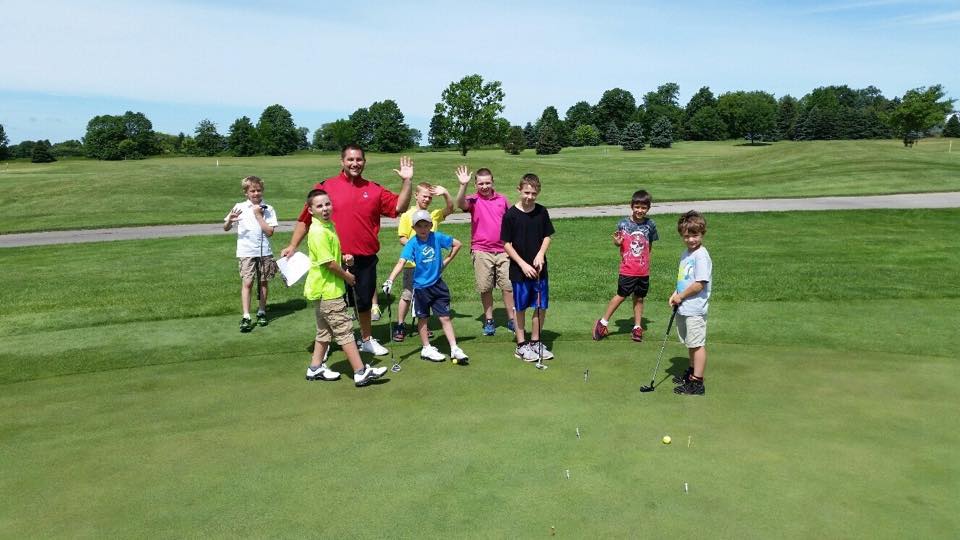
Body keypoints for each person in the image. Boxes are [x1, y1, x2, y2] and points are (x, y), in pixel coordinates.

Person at [281, 145, 414, 356]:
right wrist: (292, 245)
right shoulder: (325, 187)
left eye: (359, 160)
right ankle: (324, 346)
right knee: (331, 305)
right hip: (333, 260)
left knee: (363, 303)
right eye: (350, 159)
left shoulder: (374, 189)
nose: (355, 164)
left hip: (365, 258)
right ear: (342, 161)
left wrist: (406, 181)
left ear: (364, 162)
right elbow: (305, 220)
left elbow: (400, 207)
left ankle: (367, 339)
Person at [302, 189, 387, 387]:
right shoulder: (318, 231)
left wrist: (344, 258)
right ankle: (360, 371)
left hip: (327, 289)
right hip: (327, 290)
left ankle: (315, 368)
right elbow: (328, 263)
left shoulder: (328, 226)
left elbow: (332, 257)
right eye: (319, 206)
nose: (325, 209)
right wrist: (348, 276)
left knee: (324, 331)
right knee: (344, 331)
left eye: (327, 204)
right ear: (311, 210)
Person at [382, 210, 468, 364]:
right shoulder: (412, 243)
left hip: (438, 284)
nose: (423, 229)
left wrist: (445, 263)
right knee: (423, 318)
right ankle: (426, 348)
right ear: (414, 228)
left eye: (426, 225)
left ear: (430, 225)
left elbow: (457, 244)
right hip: (421, 288)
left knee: (445, 317)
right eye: (419, 226)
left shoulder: (437, 237)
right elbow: (401, 262)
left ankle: (454, 348)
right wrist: (390, 280)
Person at [454, 166, 516, 337]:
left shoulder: (502, 200)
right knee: (485, 287)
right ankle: (489, 320)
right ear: (476, 184)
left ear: (492, 182)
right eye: (481, 184)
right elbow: (459, 204)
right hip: (481, 251)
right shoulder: (472, 200)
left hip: (503, 250)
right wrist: (462, 185)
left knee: (508, 287)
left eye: (487, 183)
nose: (485, 186)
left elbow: (511, 222)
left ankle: (512, 319)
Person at [501, 174, 555, 362]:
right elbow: (506, 244)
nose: (529, 197)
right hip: (519, 271)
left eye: (533, 193)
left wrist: (540, 254)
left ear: (538, 192)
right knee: (521, 307)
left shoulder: (541, 212)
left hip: (540, 269)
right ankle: (521, 345)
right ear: (519, 190)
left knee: (540, 306)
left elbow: (547, 236)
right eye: (526, 192)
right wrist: (523, 264)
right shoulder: (510, 215)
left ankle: (535, 341)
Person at [593, 190, 659, 342]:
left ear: (648, 208)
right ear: (631, 206)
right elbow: (618, 243)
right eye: (637, 207)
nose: (639, 210)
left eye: (643, 208)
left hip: (643, 271)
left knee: (639, 298)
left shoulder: (651, 224)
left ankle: (637, 327)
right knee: (621, 295)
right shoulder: (623, 223)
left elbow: (649, 246)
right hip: (627, 269)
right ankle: (602, 322)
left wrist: (644, 262)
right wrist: (617, 241)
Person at [392, 182, 454, 342]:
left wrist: (446, 193)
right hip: (412, 264)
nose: (427, 199)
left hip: (430, 265)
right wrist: (418, 248)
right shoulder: (407, 215)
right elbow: (402, 238)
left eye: (430, 197)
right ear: (416, 195)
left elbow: (450, 209)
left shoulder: (432, 215)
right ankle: (400, 324)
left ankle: (424, 327)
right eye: (424, 196)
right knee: (407, 294)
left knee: (428, 295)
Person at [223, 175, 278, 333]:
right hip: (246, 251)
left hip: (264, 251)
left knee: (263, 281)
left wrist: (258, 215)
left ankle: (261, 311)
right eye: (252, 191)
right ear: (246, 192)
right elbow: (226, 227)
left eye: (258, 190)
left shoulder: (268, 208)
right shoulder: (239, 207)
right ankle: (246, 315)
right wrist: (230, 221)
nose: (256, 194)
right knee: (247, 282)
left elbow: (269, 232)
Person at [669, 210, 712, 396]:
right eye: (686, 236)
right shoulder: (686, 253)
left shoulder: (701, 255)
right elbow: (685, 279)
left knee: (697, 344)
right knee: (690, 343)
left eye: (694, 235)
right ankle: (691, 373)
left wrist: (681, 296)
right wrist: (675, 294)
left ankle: (697, 382)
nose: (690, 240)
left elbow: (699, 284)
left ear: (702, 233)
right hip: (684, 305)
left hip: (694, 308)